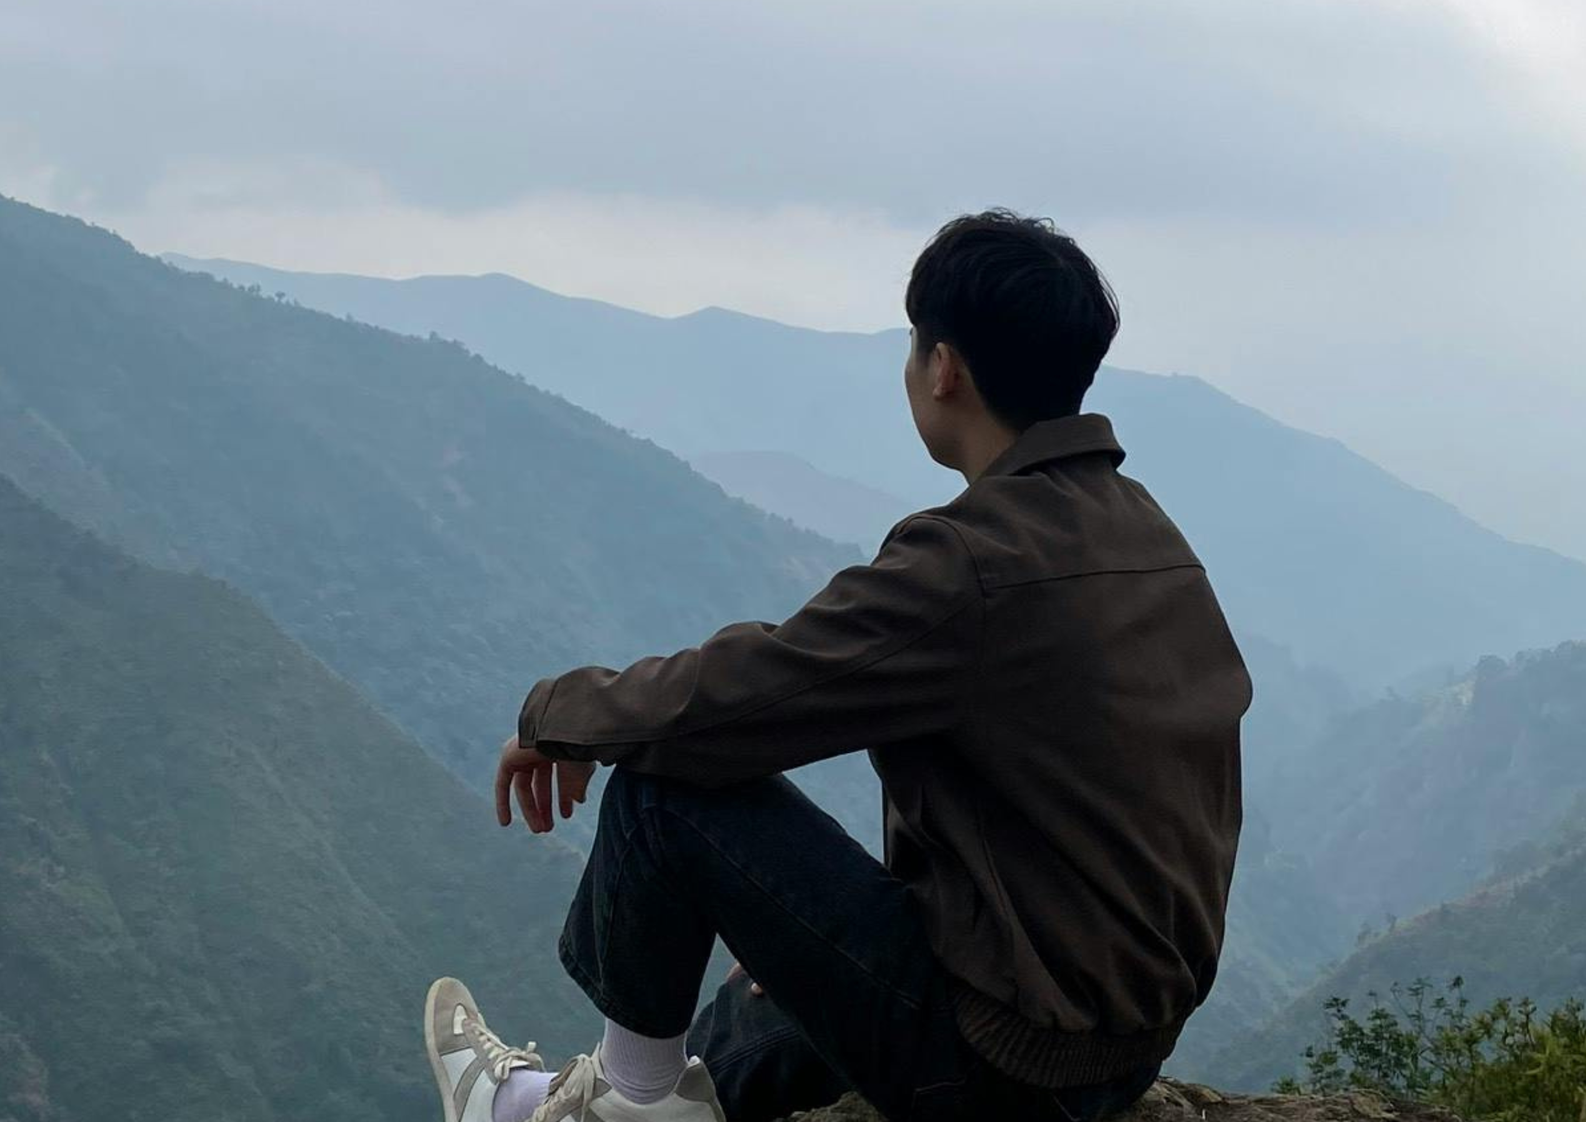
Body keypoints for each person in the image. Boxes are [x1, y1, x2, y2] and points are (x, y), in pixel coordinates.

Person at [425, 210, 1252, 1122]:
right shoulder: (1149, 535)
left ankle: (626, 1109)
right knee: (756, 1009)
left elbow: (742, 698)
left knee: (666, 795)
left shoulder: (975, 564)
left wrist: (559, 713)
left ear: (944, 368)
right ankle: (558, 1106)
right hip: (1106, 1045)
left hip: (1006, 1066)